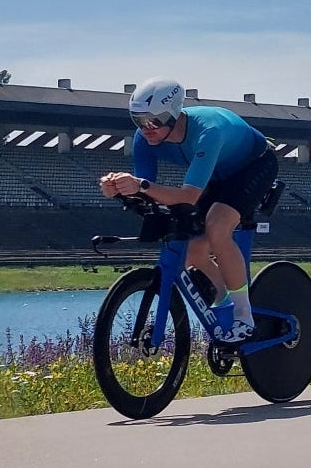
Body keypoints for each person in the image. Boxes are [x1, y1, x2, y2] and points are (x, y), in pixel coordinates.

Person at [99, 77, 277, 343]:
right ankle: (223, 303)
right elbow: (144, 190)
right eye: (138, 120)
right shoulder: (144, 139)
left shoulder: (208, 131)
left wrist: (140, 185)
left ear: (173, 115)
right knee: (193, 248)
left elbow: (188, 195)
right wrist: (118, 187)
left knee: (217, 228)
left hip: (254, 165)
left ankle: (244, 317)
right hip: (217, 174)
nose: (146, 129)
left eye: (153, 121)